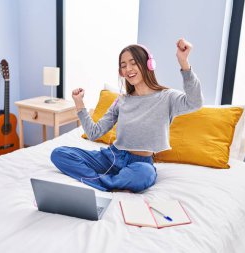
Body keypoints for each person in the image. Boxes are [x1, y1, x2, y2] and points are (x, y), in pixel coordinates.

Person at [51, 38, 203, 193]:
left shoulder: (167, 97)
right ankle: (110, 183)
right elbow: (93, 133)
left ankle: (103, 181)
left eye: (133, 63)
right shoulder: (122, 100)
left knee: (144, 175)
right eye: (123, 66)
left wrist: (183, 62)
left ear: (147, 64)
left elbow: (195, 102)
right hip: (111, 156)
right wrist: (79, 103)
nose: (128, 69)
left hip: (140, 163)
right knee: (59, 154)